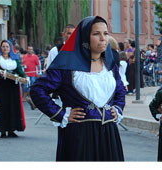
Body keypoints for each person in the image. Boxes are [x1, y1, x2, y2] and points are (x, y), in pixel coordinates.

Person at [30, 16, 125, 161]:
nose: (103, 38)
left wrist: (117, 109)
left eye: (105, 33)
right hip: (79, 135)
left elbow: (120, 91)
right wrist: (61, 114)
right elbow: (37, 90)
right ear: (85, 37)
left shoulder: (110, 66)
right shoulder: (66, 66)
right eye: (96, 34)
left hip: (109, 135)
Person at [0, 40, 27, 137]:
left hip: (12, 86)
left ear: (10, 48)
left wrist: (25, 77)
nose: (5, 48)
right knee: (2, 107)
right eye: (3, 46)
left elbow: (19, 70)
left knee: (12, 107)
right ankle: (2, 130)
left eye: (7, 46)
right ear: (1, 48)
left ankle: (11, 129)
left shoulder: (14, 59)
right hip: (1, 86)